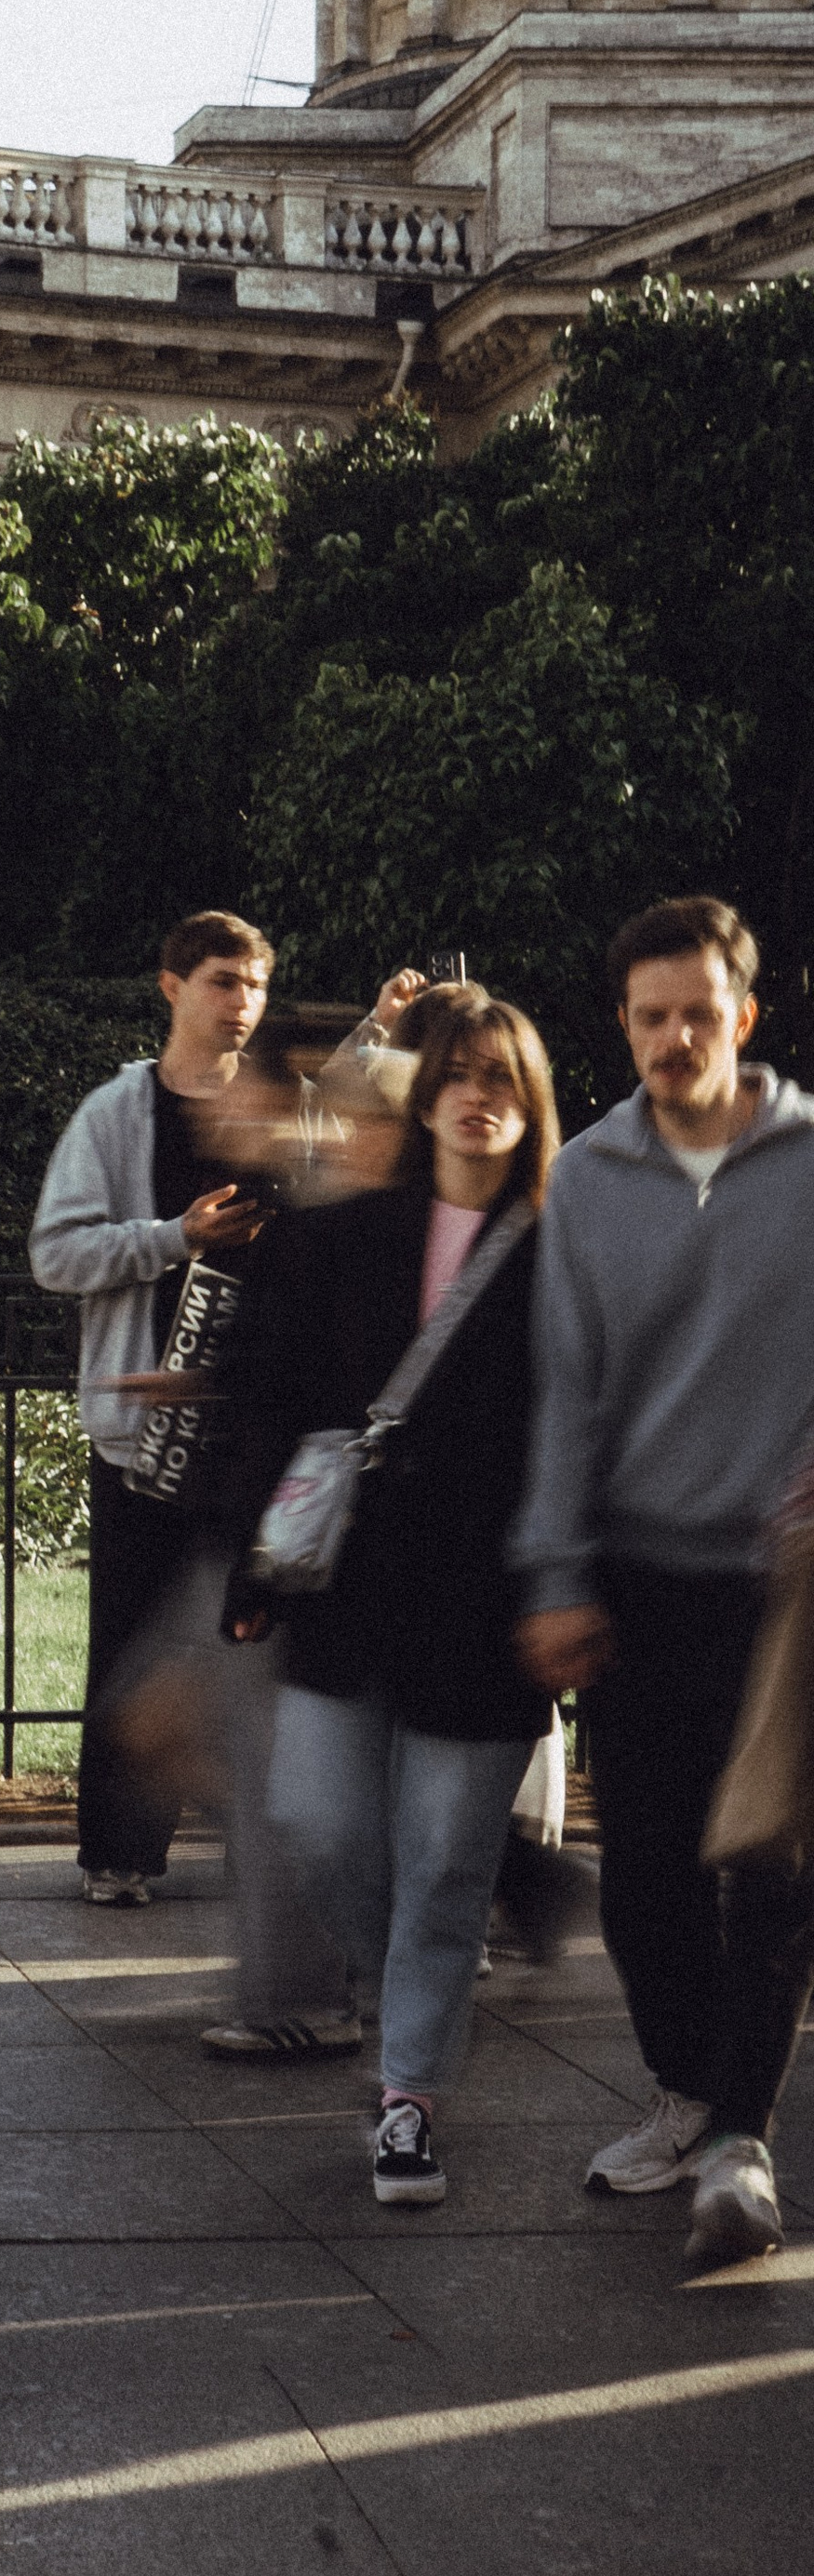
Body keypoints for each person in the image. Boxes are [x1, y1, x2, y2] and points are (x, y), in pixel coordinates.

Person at [513, 896, 814, 2278]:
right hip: (636, 1577)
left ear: (744, 1014)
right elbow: (563, 1393)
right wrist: (560, 1571)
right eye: (650, 1016)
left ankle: (742, 2139)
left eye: (700, 1011)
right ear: (623, 1024)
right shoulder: (587, 1178)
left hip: (782, 1586)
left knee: (769, 1864)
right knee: (640, 1886)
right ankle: (693, 2094)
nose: (675, 1037)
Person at [228, 989, 561, 2208]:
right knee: (323, 1825)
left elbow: (580, 1433)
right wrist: (257, 1563)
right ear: (430, 1098)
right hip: (345, 1600)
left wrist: (566, 1588)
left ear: (531, 1108)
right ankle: (400, 1998)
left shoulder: (560, 1251)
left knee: (444, 1867)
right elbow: (271, 1398)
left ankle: (406, 2094)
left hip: (485, 1614)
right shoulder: (343, 1236)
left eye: (505, 1080)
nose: (481, 1097)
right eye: (461, 1076)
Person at [29, 910, 274, 1904]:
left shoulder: (274, 1108)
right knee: (130, 1635)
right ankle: (120, 1853)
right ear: (170, 986)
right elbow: (56, 1254)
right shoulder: (115, 1114)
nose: (242, 1004)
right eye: (223, 981)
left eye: (255, 984)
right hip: (142, 1425)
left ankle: (267, 1844)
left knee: (252, 1639)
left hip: (254, 1425)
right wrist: (173, 1237)